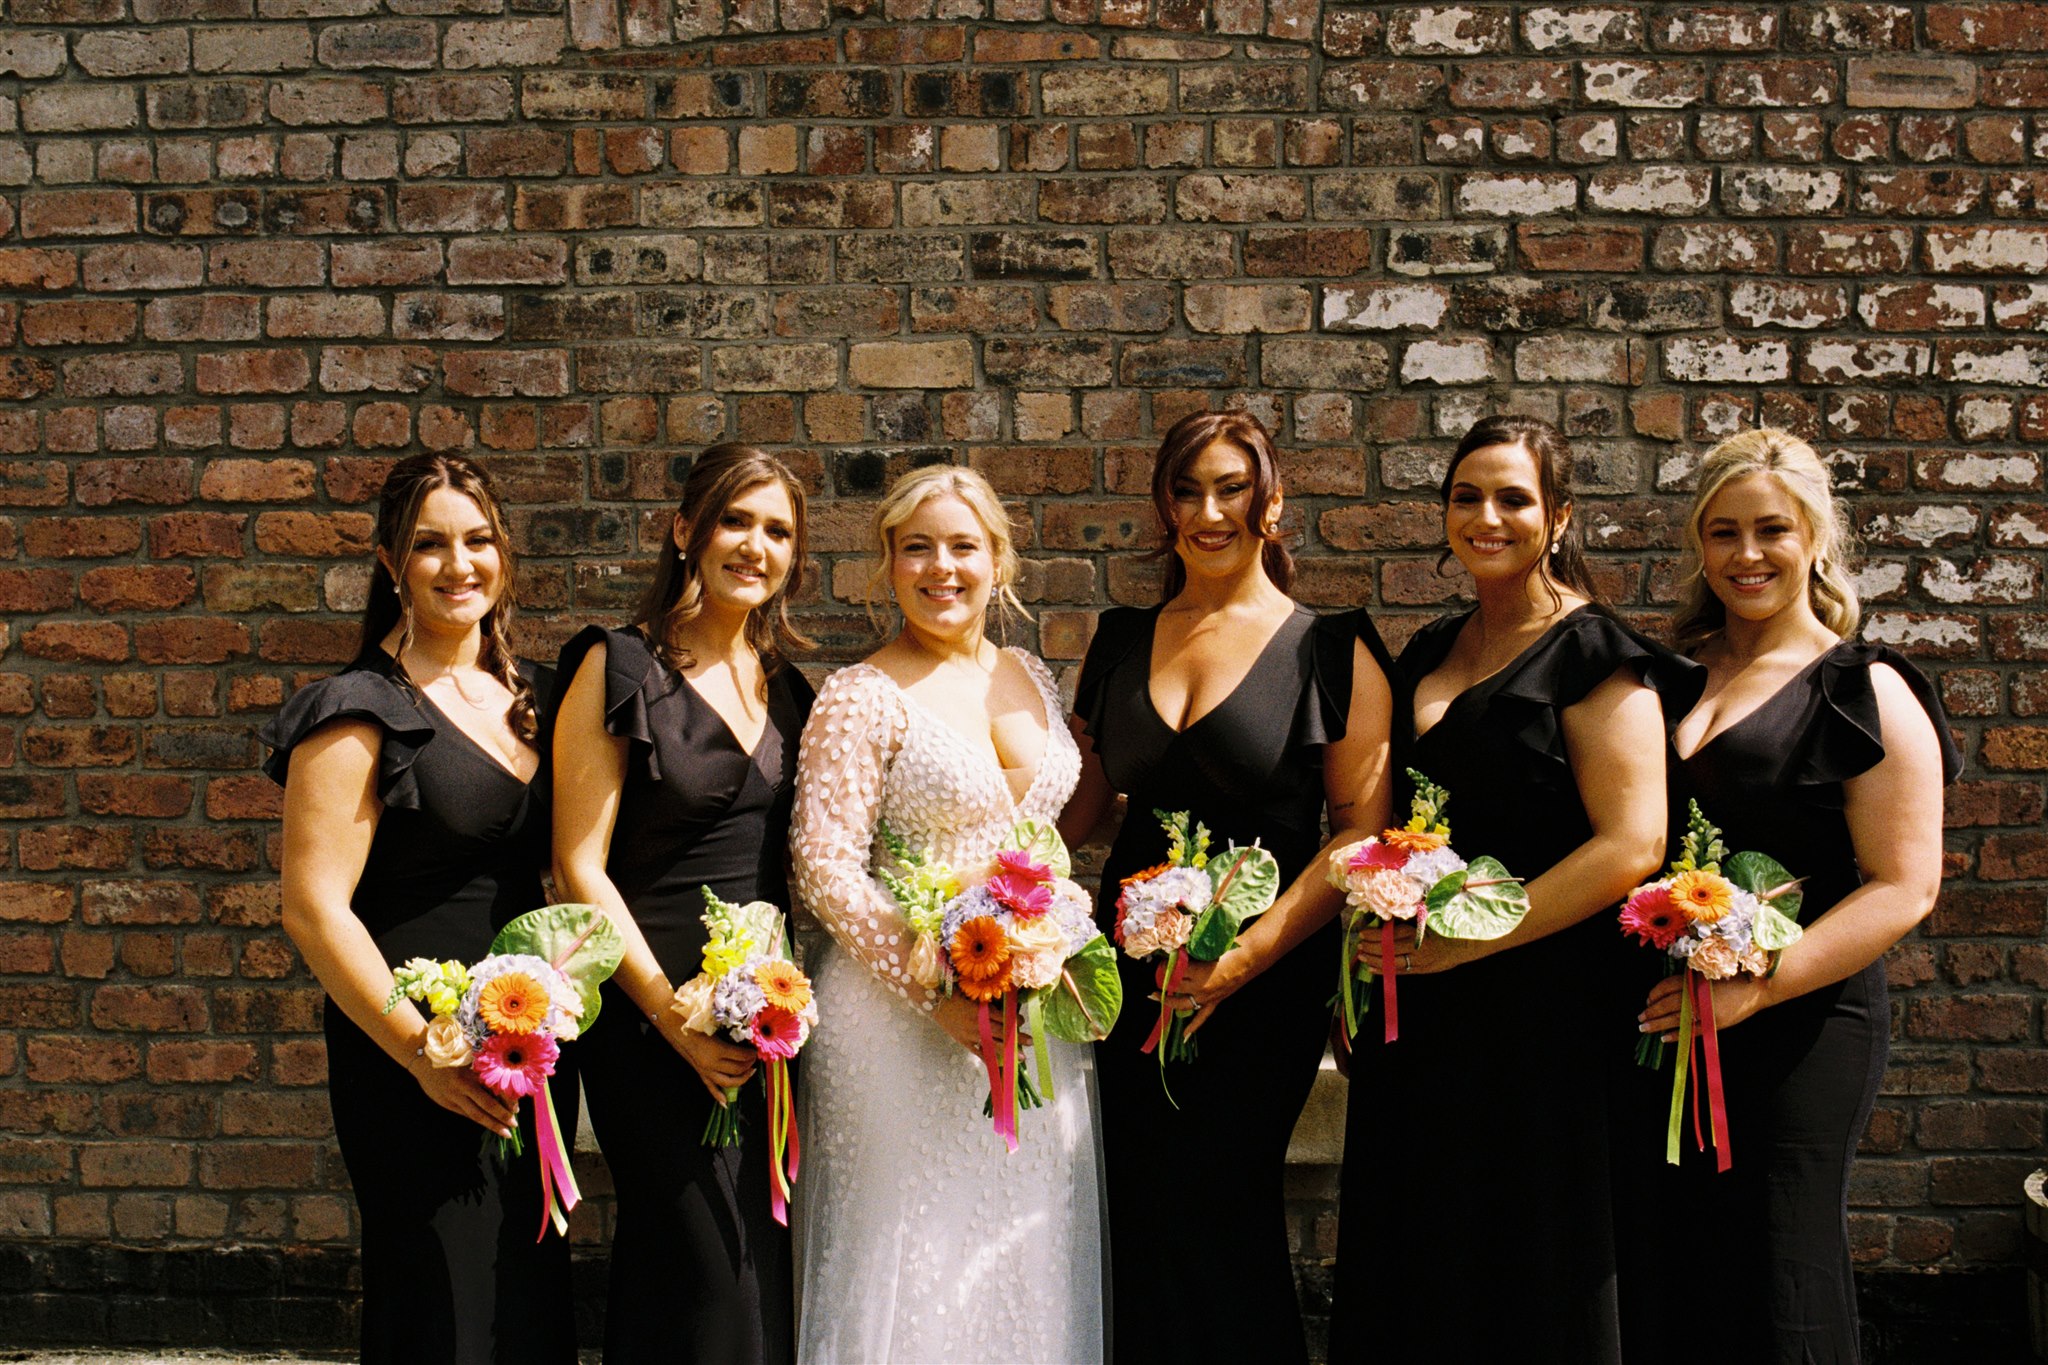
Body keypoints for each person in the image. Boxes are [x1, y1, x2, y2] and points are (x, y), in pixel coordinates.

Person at [1329, 415, 1695, 1364]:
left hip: (1546, 1016)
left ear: (1559, 515)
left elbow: (1634, 841)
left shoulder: (1595, 654)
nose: (1486, 516)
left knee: (1531, 1268)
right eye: (1465, 496)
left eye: (1513, 499)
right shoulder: (1426, 651)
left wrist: (1473, 941)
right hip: (1423, 1018)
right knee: (1422, 1261)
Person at [1059, 411, 1395, 1364]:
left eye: (1232, 488)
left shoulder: (1332, 650)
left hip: (1264, 982)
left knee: (1222, 1207)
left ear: (1272, 501)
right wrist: (994, 893)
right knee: (1139, 1208)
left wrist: (1243, 958)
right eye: (1186, 490)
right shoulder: (1122, 638)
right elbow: (1084, 807)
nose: (1209, 511)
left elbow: (1358, 836)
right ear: (1163, 505)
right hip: (1130, 974)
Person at [1624, 430, 1957, 1365]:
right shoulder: (1671, 675)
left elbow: (1906, 885)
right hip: (1667, 1022)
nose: (1747, 554)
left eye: (1772, 529)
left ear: (1816, 536)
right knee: (1676, 1265)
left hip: (1799, 1022)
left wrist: (1762, 984)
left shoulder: (1865, 689)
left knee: (1779, 1268)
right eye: (1722, 532)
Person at [260, 454, 572, 1364]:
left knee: (523, 1296)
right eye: (429, 544)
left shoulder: (538, 700)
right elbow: (313, 908)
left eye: (478, 540)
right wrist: (419, 1050)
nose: (458, 563)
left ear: (504, 552)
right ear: (391, 561)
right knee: (441, 1303)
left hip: (528, 1046)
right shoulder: (358, 709)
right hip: (410, 1057)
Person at [788, 465, 1103, 1364]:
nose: (941, 567)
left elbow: (1039, 836)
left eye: (963, 545)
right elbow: (825, 869)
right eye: (916, 547)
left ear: (998, 559)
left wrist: (1048, 935)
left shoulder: (1031, 675)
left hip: (1029, 1012)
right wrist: (939, 997)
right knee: (916, 1256)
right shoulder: (859, 695)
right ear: (886, 563)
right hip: (900, 1023)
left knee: (1022, 1256)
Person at [551, 445, 816, 1364]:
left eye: (777, 530)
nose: (755, 545)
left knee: (755, 1265)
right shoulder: (618, 664)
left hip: (763, 1020)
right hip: (648, 1019)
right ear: (684, 531)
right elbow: (577, 866)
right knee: (701, 1267)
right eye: (735, 521)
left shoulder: (790, 689)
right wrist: (674, 1017)